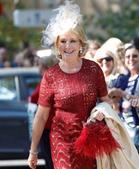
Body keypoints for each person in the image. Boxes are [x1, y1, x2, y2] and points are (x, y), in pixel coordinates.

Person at [27, 1, 112, 168]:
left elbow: (106, 102)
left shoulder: (93, 69)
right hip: (61, 142)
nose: (67, 46)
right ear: (57, 45)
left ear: (81, 44)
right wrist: (33, 150)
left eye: (72, 41)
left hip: (91, 138)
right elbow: (41, 116)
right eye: (63, 41)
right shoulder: (51, 75)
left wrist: (101, 113)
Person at [28, 56, 57, 169]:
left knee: (51, 161)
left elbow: (34, 97)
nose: (38, 69)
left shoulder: (48, 80)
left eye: (40, 65)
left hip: (48, 127)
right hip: (54, 126)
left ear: (46, 67)